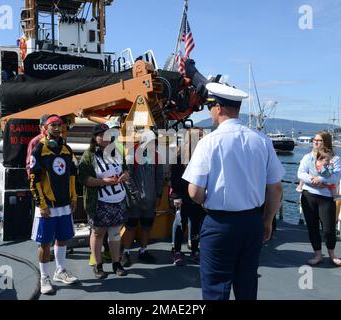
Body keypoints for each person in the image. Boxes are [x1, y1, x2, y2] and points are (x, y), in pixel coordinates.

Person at [182, 82, 284, 300]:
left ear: (218, 108)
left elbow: (194, 191)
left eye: (210, 107)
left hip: (219, 225)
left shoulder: (208, 142)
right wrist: (267, 221)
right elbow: (275, 187)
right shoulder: (262, 140)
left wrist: (203, 201)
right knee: (247, 285)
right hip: (252, 224)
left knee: (216, 287)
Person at [29, 115, 78, 294]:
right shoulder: (39, 150)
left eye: (60, 125)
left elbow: (72, 175)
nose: (57, 128)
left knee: (63, 238)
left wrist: (74, 197)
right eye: (53, 125)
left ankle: (60, 271)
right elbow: (34, 180)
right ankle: (44, 277)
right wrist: (41, 204)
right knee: (45, 243)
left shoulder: (66, 149)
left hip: (65, 204)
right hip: (47, 205)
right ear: (45, 128)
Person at [78, 123, 128, 278]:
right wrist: (104, 182)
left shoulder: (116, 151)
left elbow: (125, 169)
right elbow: (84, 179)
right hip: (100, 202)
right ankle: (98, 264)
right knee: (98, 232)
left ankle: (116, 263)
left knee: (115, 233)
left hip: (118, 200)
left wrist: (125, 175)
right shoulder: (89, 155)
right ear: (95, 137)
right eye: (101, 134)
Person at [297, 131, 341, 267]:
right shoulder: (307, 157)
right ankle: (318, 255)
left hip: (326, 198)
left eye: (319, 140)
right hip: (309, 195)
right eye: (314, 140)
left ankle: (332, 254)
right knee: (312, 227)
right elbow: (301, 173)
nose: (316, 142)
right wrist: (313, 180)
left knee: (329, 229)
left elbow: (336, 176)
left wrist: (321, 179)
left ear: (326, 142)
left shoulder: (335, 159)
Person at [121, 129, 164, 267]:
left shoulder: (157, 157)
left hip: (150, 200)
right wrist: (134, 195)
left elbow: (159, 177)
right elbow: (128, 178)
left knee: (146, 226)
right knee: (131, 226)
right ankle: (126, 252)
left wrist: (158, 195)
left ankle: (143, 251)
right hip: (135, 200)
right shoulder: (131, 156)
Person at [170, 128, 206, 266]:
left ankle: (195, 250)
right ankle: (177, 251)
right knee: (180, 223)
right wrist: (177, 196)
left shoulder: (203, 156)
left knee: (196, 223)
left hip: (196, 196)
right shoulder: (179, 157)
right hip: (182, 196)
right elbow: (175, 179)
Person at [26, 114, 49, 178]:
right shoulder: (34, 142)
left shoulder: (56, 140)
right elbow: (29, 163)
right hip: (39, 177)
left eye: (50, 125)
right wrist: (32, 178)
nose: (48, 128)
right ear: (40, 127)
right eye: (45, 126)